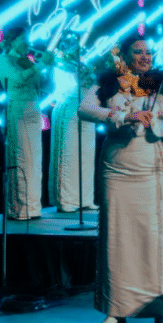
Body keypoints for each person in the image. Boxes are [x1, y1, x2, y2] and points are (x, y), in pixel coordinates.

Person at [78, 35, 163, 323]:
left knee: (153, 241)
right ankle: (116, 311)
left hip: (151, 168)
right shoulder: (108, 83)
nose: (145, 57)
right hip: (117, 168)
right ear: (125, 57)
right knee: (117, 239)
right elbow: (84, 109)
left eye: (149, 52)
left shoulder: (160, 86)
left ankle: (159, 311)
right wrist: (125, 115)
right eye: (138, 52)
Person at [0, 27, 53, 220]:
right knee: (21, 159)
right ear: (12, 41)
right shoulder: (3, 60)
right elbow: (17, 79)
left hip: (33, 109)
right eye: (23, 38)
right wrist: (40, 65)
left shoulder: (27, 61)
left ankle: (33, 207)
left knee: (34, 160)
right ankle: (19, 208)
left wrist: (49, 68)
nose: (27, 42)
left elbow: (45, 87)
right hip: (17, 110)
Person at [48, 39, 99, 212]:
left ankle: (85, 198)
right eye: (71, 47)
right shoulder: (58, 64)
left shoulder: (86, 65)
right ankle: (66, 199)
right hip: (69, 108)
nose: (76, 50)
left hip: (88, 107)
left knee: (87, 154)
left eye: (78, 48)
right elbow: (57, 87)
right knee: (68, 154)